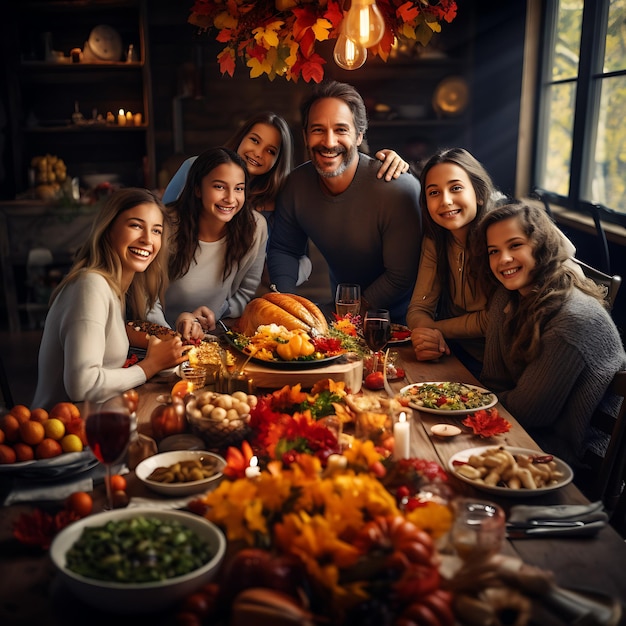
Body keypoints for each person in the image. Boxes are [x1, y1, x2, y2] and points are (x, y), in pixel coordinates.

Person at [162, 111, 410, 288]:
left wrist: (280, 279)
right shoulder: (194, 168)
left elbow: (296, 258)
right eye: (254, 140)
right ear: (241, 137)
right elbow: (162, 228)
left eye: (271, 151)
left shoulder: (279, 198)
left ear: (279, 160)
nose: (258, 153)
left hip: (239, 299)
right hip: (178, 285)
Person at [476, 200, 626, 469]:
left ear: (541, 246)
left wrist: (486, 402)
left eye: (515, 245)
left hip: (572, 458)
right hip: (521, 433)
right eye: (494, 251)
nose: (503, 260)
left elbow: (530, 412)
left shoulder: (574, 319)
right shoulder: (506, 297)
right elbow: (492, 379)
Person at [266, 81, 422, 323]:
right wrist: (287, 308)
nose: (329, 142)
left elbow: (401, 276)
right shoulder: (295, 186)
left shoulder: (396, 188)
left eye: (341, 130)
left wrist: (340, 314)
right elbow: (284, 249)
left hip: (407, 323)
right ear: (305, 135)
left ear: (359, 135)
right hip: (344, 324)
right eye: (318, 130)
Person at [32, 188, 197, 409]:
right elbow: (81, 386)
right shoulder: (90, 285)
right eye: (136, 225)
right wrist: (149, 366)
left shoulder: (116, 288)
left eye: (156, 230)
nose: (148, 239)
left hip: (97, 418)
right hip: (62, 434)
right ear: (108, 230)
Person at [152, 147, 267, 332]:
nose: (230, 198)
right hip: (156, 337)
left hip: (211, 337)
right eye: (219, 187)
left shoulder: (254, 228)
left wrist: (215, 314)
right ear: (198, 188)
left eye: (238, 189)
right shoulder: (164, 226)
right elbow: (146, 298)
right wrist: (170, 335)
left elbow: (247, 292)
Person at [406, 148, 500, 371]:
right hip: (454, 352)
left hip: (499, 364)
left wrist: (435, 330)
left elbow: (492, 319)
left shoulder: (499, 236)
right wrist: (426, 333)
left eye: (456, 188)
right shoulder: (435, 240)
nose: (446, 201)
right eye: (434, 193)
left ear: (478, 194)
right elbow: (419, 307)